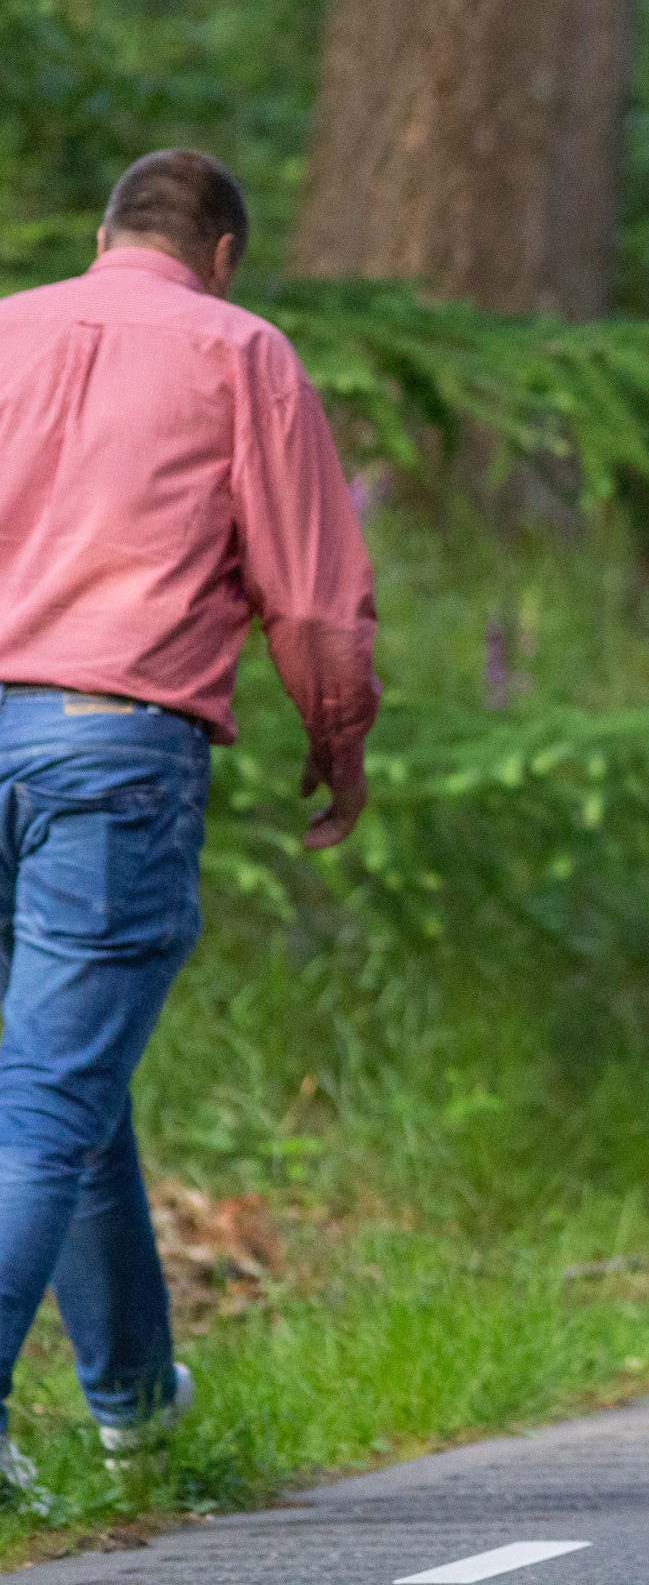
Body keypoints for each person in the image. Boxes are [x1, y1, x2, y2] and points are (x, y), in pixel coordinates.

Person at [0, 150, 379, 1498]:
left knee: (70, 1086)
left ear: (104, 233)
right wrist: (339, 738)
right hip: (109, 747)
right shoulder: (241, 352)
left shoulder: (6, 330)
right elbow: (315, 596)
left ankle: (133, 1415)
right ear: (222, 250)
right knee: (44, 1104)